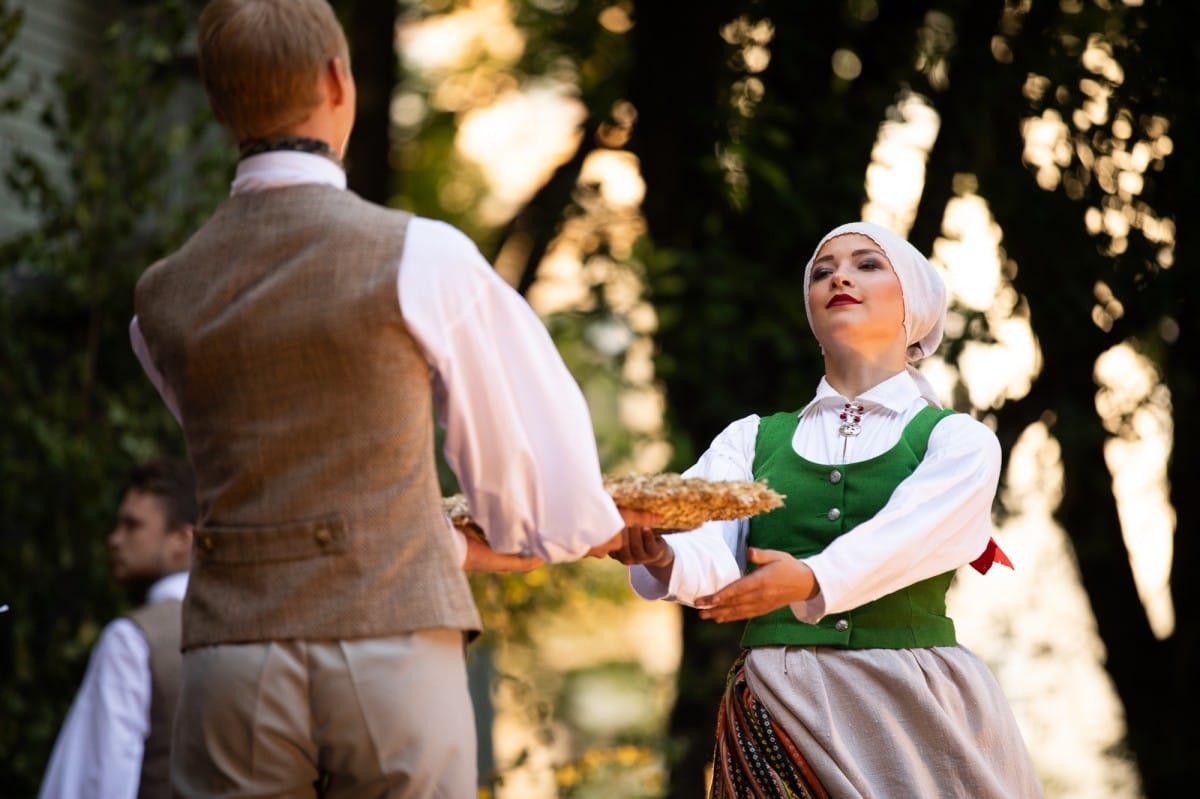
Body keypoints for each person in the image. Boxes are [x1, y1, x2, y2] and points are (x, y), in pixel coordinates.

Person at [128, 0, 655, 796]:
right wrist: (593, 526)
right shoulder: (423, 256)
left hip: (231, 653)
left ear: (216, 102)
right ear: (338, 81)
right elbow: (536, 491)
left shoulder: (160, 301)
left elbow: (255, 466)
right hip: (392, 636)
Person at [611, 221, 1045, 798]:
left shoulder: (959, 441)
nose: (840, 275)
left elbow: (908, 535)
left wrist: (814, 577)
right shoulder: (751, 439)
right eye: (823, 270)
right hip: (780, 698)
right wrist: (662, 553)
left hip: (911, 703)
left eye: (868, 264)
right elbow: (708, 540)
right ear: (811, 313)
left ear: (911, 306)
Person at [39, 457, 197, 799]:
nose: (114, 539)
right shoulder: (247, 631)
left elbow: (95, 785)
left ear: (182, 540)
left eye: (132, 525)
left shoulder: (132, 641)